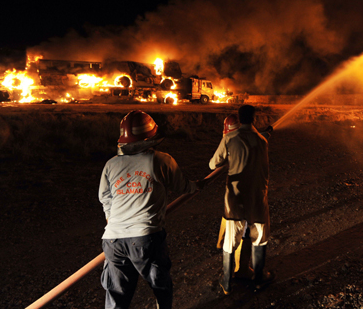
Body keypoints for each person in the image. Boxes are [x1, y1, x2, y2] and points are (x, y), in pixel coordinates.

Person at [98, 110, 203, 309]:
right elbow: (182, 186)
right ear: (151, 136)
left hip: (112, 240)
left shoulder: (111, 164)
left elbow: (105, 198)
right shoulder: (160, 160)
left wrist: (114, 223)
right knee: (160, 286)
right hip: (146, 238)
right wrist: (197, 185)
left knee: (116, 296)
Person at [209, 105, 273, 295]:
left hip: (235, 201)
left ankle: (227, 281)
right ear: (254, 119)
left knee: (230, 241)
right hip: (257, 198)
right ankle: (259, 278)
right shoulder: (262, 141)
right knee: (259, 238)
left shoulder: (229, 139)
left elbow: (213, 163)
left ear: (239, 118)